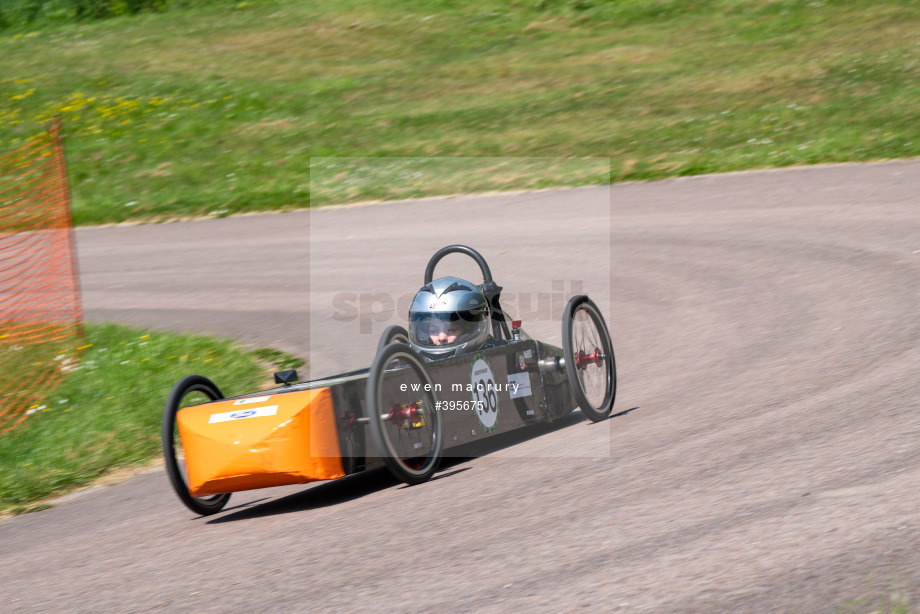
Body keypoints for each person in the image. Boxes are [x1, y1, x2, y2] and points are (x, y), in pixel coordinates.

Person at [407, 276, 491, 358]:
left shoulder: (497, 356)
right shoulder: (411, 359)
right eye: (434, 331)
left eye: (450, 330)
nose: (442, 337)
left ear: (468, 330)